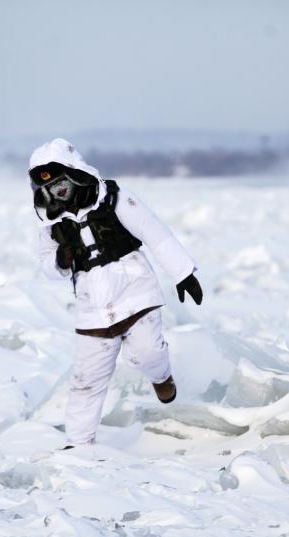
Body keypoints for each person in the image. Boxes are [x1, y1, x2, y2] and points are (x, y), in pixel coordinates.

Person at [30, 138, 202, 447]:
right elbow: (46, 264)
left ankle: (162, 377)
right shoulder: (49, 224)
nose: (58, 192)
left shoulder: (114, 198)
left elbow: (154, 232)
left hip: (135, 292)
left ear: (75, 173)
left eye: (61, 182)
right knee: (85, 381)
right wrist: (59, 261)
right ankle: (78, 444)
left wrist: (183, 272)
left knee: (146, 354)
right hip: (92, 308)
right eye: (50, 187)